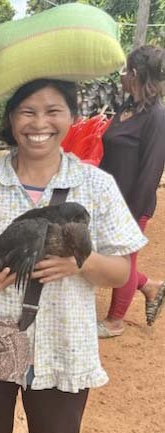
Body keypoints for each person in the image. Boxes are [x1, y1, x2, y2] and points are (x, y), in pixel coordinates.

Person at [0, 78, 146, 433]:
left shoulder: (96, 186)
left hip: (63, 344)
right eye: (27, 111)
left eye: (53, 111)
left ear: (72, 118)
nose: (40, 122)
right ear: (11, 118)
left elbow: (122, 272)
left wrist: (79, 262)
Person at [98, 45, 165, 337]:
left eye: (125, 71)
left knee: (123, 260)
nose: (122, 76)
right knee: (104, 256)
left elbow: (151, 170)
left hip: (132, 204)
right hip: (108, 201)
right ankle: (150, 286)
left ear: (134, 74)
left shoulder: (156, 117)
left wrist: (130, 216)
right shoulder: (126, 109)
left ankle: (115, 321)